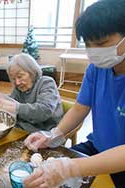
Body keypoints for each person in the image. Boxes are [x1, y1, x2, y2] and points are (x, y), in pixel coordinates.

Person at [23, 0, 125, 187]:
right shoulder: (96, 69)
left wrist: (72, 168)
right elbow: (79, 108)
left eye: (102, 43)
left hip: (121, 162)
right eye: (89, 44)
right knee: (43, 172)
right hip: (97, 147)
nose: (94, 51)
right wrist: (54, 134)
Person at [0, 53, 63, 132]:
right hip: (25, 129)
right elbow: (11, 102)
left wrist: (16, 108)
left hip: (46, 131)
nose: (17, 82)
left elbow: (45, 111)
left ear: (32, 72)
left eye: (20, 76)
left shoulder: (46, 83)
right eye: (13, 78)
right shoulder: (19, 87)